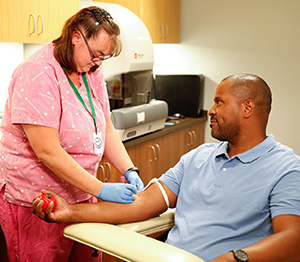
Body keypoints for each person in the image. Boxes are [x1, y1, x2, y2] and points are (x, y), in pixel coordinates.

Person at [32, 74, 300, 262]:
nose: (210, 110)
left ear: (247, 108)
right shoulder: (199, 157)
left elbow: (293, 240)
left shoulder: (286, 168)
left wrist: (234, 258)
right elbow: (141, 204)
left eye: (219, 102)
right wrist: (69, 211)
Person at [0, 6, 144, 262]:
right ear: (77, 36)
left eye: (104, 57)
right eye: (96, 54)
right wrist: (101, 189)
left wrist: (130, 169)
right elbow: (48, 151)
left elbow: (106, 129)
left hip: (81, 195)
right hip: (39, 202)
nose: (98, 62)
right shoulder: (37, 73)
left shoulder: (90, 72)